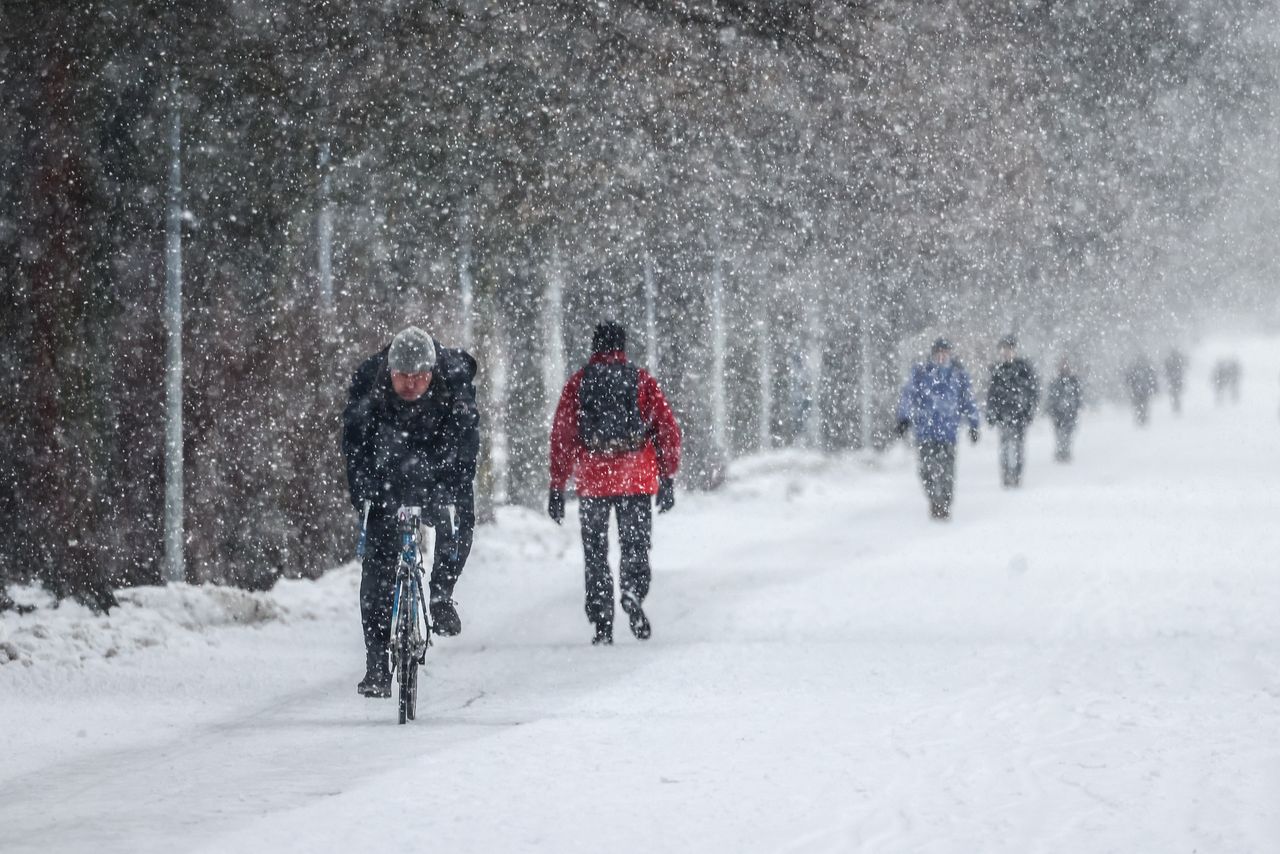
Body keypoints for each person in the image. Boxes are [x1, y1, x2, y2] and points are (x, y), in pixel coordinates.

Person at [342, 326, 480, 697]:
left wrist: (450, 487)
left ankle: (440, 595)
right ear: (389, 372)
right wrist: (364, 493)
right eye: (403, 376)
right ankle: (376, 664)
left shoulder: (454, 382)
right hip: (388, 468)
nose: (411, 384)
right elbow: (355, 446)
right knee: (376, 568)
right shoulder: (369, 383)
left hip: (438, 464)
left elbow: (466, 444)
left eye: (420, 377)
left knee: (460, 518)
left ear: (433, 372)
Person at [548, 321, 682, 645]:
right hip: (634, 473)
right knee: (634, 545)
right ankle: (632, 590)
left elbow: (563, 435)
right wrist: (666, 476)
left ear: (594, 347)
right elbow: (667, 429)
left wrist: (557, 484)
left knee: (595, 552)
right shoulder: (640, 380)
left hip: (593, 477)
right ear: (622, 347)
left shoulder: (579, 383)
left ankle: (602, 621)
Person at [896, 338, 981, 521]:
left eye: (945, 352)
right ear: (933, 354)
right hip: (925, 431)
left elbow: (968, 401)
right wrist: (903, 418)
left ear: (949, 354)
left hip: (949, 432)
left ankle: (944, 503)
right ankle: (934, 499)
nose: (941, 356)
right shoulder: (921, 374)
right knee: (926, 470)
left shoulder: (958, 375)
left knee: (947, 470)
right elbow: (908, 395)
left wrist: (974, 424)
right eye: (938, 353)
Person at [985, 335, 1040, 487]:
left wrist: (1029, 411)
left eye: (1009, 349)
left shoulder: (1023, 368)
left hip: (1019, 415)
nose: (1006, 352)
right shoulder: (997, 370)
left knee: (1018, 447)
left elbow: (1032, 391)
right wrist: (991, 413)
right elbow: (992, 394)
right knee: (1004, 446)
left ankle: (1016, 475)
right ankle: (1006, 475)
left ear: (1014, 350)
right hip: (1003, 415)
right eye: (1003, 349)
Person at [1046, 358, 1084, 462]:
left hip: (1070, 412)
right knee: (1059, 432)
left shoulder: (1073, 381)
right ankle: (1061, 450)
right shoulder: (1056, 381)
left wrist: (1076, 406)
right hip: (1058, 412)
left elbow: (1078, 395)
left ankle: (1065, 450)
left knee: (1068, 432)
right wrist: (1051, 408)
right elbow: (1051, 396)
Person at [1126, 355, 1159, 426]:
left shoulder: (1136, 369)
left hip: (1139, 391)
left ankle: (1141, 418)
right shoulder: (1146, 368)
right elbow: (1152, 379)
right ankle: (1142, 418)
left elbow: (1129, 380)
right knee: (1143, 405)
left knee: (1140, 405)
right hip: (1143, 391)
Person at [1164, 348, 1187, 414]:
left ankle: (1176, 405)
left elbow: (1166, 370)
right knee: (1175, 393)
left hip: (1173, 380)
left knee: (1174, 393)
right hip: (1176, 380)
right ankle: (1176, 405)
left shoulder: (1170, 360)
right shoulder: (1178, 360)